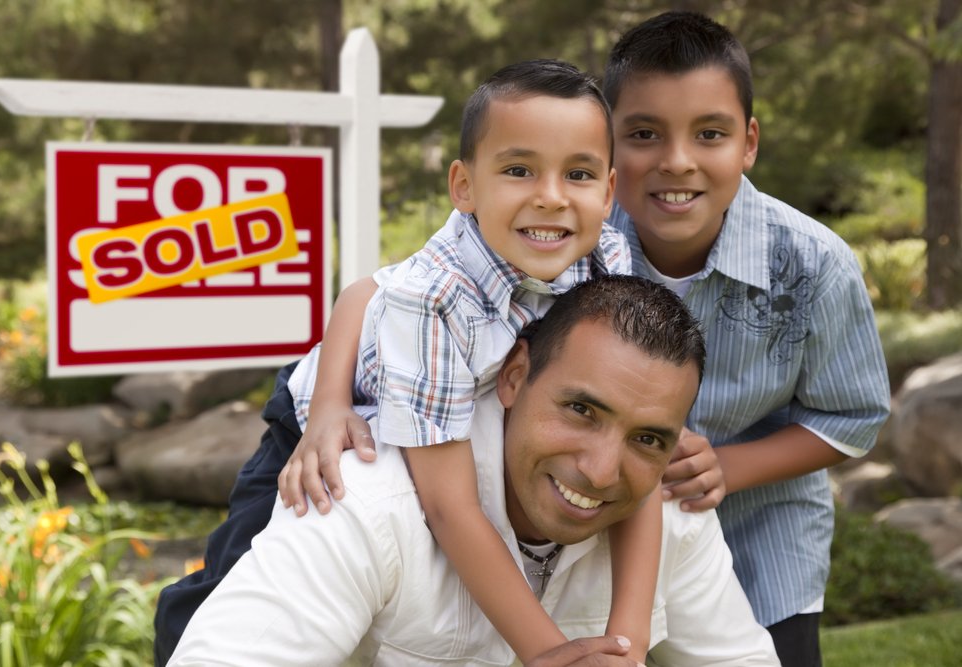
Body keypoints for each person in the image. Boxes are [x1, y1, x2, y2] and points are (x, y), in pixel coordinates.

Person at [156, 60, 663, 664]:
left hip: (457, 392)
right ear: (464, 186)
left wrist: (627, 645)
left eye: (577, 173)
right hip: (327, 408)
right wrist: (547, 652)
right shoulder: (435, 299)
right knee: (249, 572)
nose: (551, 197)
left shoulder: (606, 253)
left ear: (607, 191)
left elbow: (364, 289)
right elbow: (449, 507)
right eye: (519, 170)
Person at [167, 275, 781, 666]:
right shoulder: (363, 496)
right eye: (580, 410)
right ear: (513, 377)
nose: (600, 471)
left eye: (648, 437)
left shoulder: (667, 503)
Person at [600, 11, 891, 667]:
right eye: (644, 133)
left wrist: (726, 468)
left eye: (710, 134)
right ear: (608, 141)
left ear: (749, 142)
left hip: (762, 546)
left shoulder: (815, 264)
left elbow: (853, 415)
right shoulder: (577, 248)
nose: (677, 161)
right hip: (604, 543)